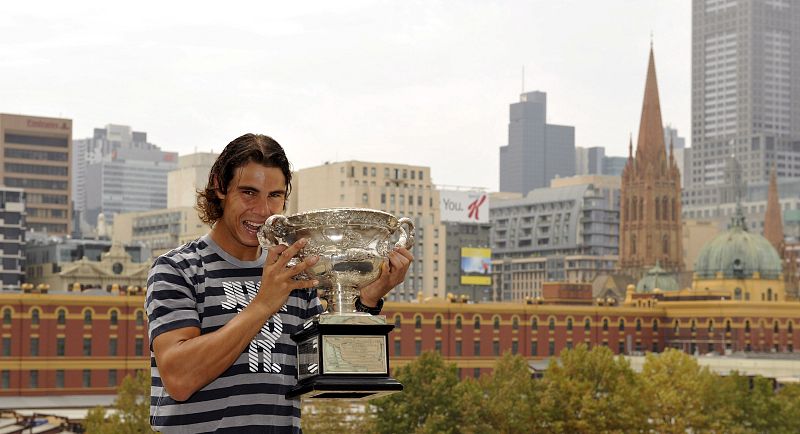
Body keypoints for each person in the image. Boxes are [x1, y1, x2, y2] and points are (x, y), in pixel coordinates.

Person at [145, 134, 412, 433]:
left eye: (275, 195)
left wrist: (368, 298)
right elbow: (179, 380)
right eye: (249, 193)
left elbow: (329, 363)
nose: (263, 210)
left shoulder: (295, 272)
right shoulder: (178, 268)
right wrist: (263, 304)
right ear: (220, 187)